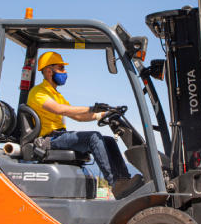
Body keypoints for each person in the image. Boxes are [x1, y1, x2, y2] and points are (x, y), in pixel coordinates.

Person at [27, 51, 143, 199]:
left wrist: (102, 114)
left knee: (107, 140)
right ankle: (115, 184)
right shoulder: (38, 92)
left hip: (59, 135)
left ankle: (123, 180)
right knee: (93, 137)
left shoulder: (56, 94)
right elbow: (60, 109)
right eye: (61, 68)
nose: (65, 72)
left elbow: (78, 116)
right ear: (49, 71)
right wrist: (91, 108)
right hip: (48, 140)